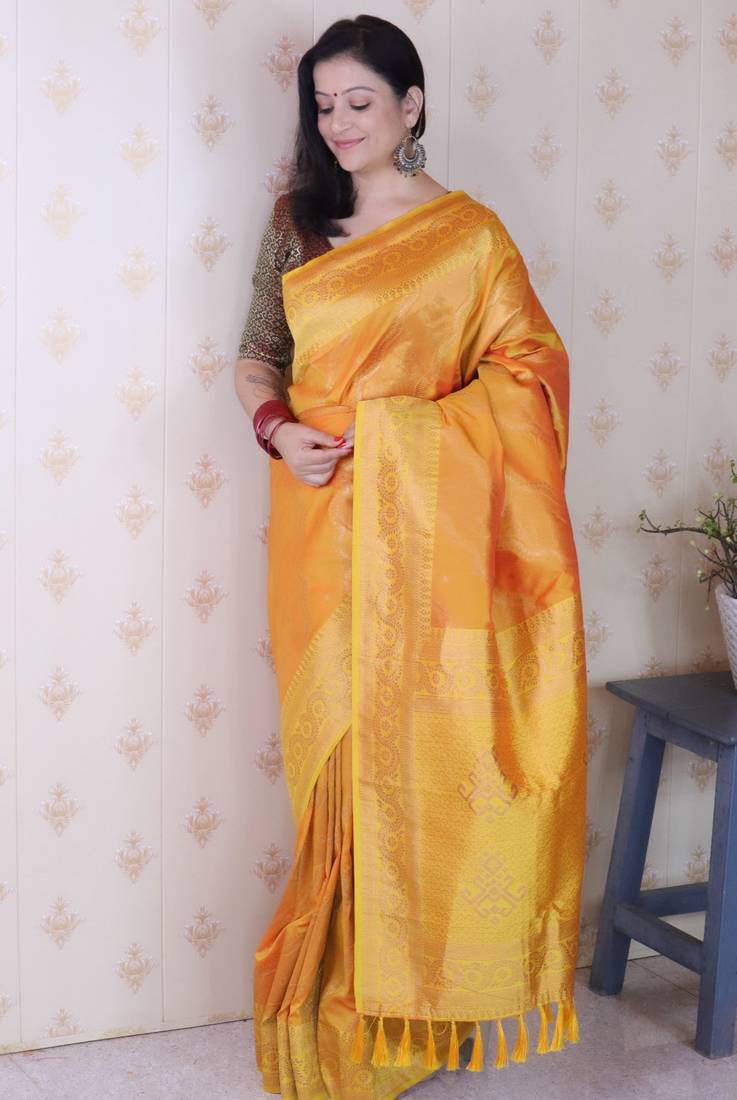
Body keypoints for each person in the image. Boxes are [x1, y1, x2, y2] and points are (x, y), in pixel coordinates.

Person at [234, 14, 588, 1100]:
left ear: (410, 105)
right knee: (338, 773)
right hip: (319, 528)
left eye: (360, 102)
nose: (338, 124)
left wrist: (403, 435)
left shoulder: (469, 238)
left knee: (425, 763)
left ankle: (418, 1013)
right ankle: (331, 1022)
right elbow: (255, 358)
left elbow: (528, 371)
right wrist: (277, 430)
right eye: (323, 106)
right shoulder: (297, 222)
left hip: (431, 544)